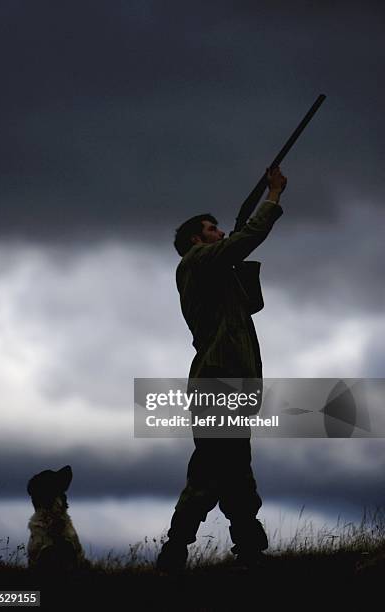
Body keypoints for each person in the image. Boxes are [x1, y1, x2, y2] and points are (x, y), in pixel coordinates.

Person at [156, 167, 287, 571]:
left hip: (232, 382)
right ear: (197, 240)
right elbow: (248, 240)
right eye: (212, 230)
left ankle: (246, 549)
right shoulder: (197, 261)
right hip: (218, 380)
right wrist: (274, 195)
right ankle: (177, 550)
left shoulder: (216, 274)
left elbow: (252, 299)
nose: (218, 234)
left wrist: (234, 244)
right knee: (212, 468)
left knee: (233, 468)